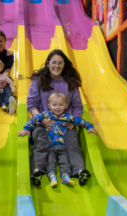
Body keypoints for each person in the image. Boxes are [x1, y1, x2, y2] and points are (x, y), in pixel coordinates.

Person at [27, 49, 92, 186]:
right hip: (42, 120)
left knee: (72, 143)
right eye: (54, 62)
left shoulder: (70, 82)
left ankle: (80, 171)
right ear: (48, 63)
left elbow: (77, 106)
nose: (57, 66)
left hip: (64, 123)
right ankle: (37, 171)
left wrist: (74, 120)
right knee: (40, 142)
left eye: (60, 63)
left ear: (64, 65)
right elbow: (32, 104)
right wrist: (41, 120)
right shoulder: (38, 81)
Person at [18, 93, 97, 187]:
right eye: (54, 105)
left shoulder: (68, 117)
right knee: (50, 162)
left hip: (62, 146)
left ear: (66, 106)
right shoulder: (46, 115)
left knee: (65, 162)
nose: (58, 107)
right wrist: (26, 129)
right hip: (49, 146)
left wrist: (90, 127)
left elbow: (80, 121)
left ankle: (70, 176)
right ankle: (45, 176)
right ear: (49, 106)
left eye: (61, 105)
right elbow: (34, 119)